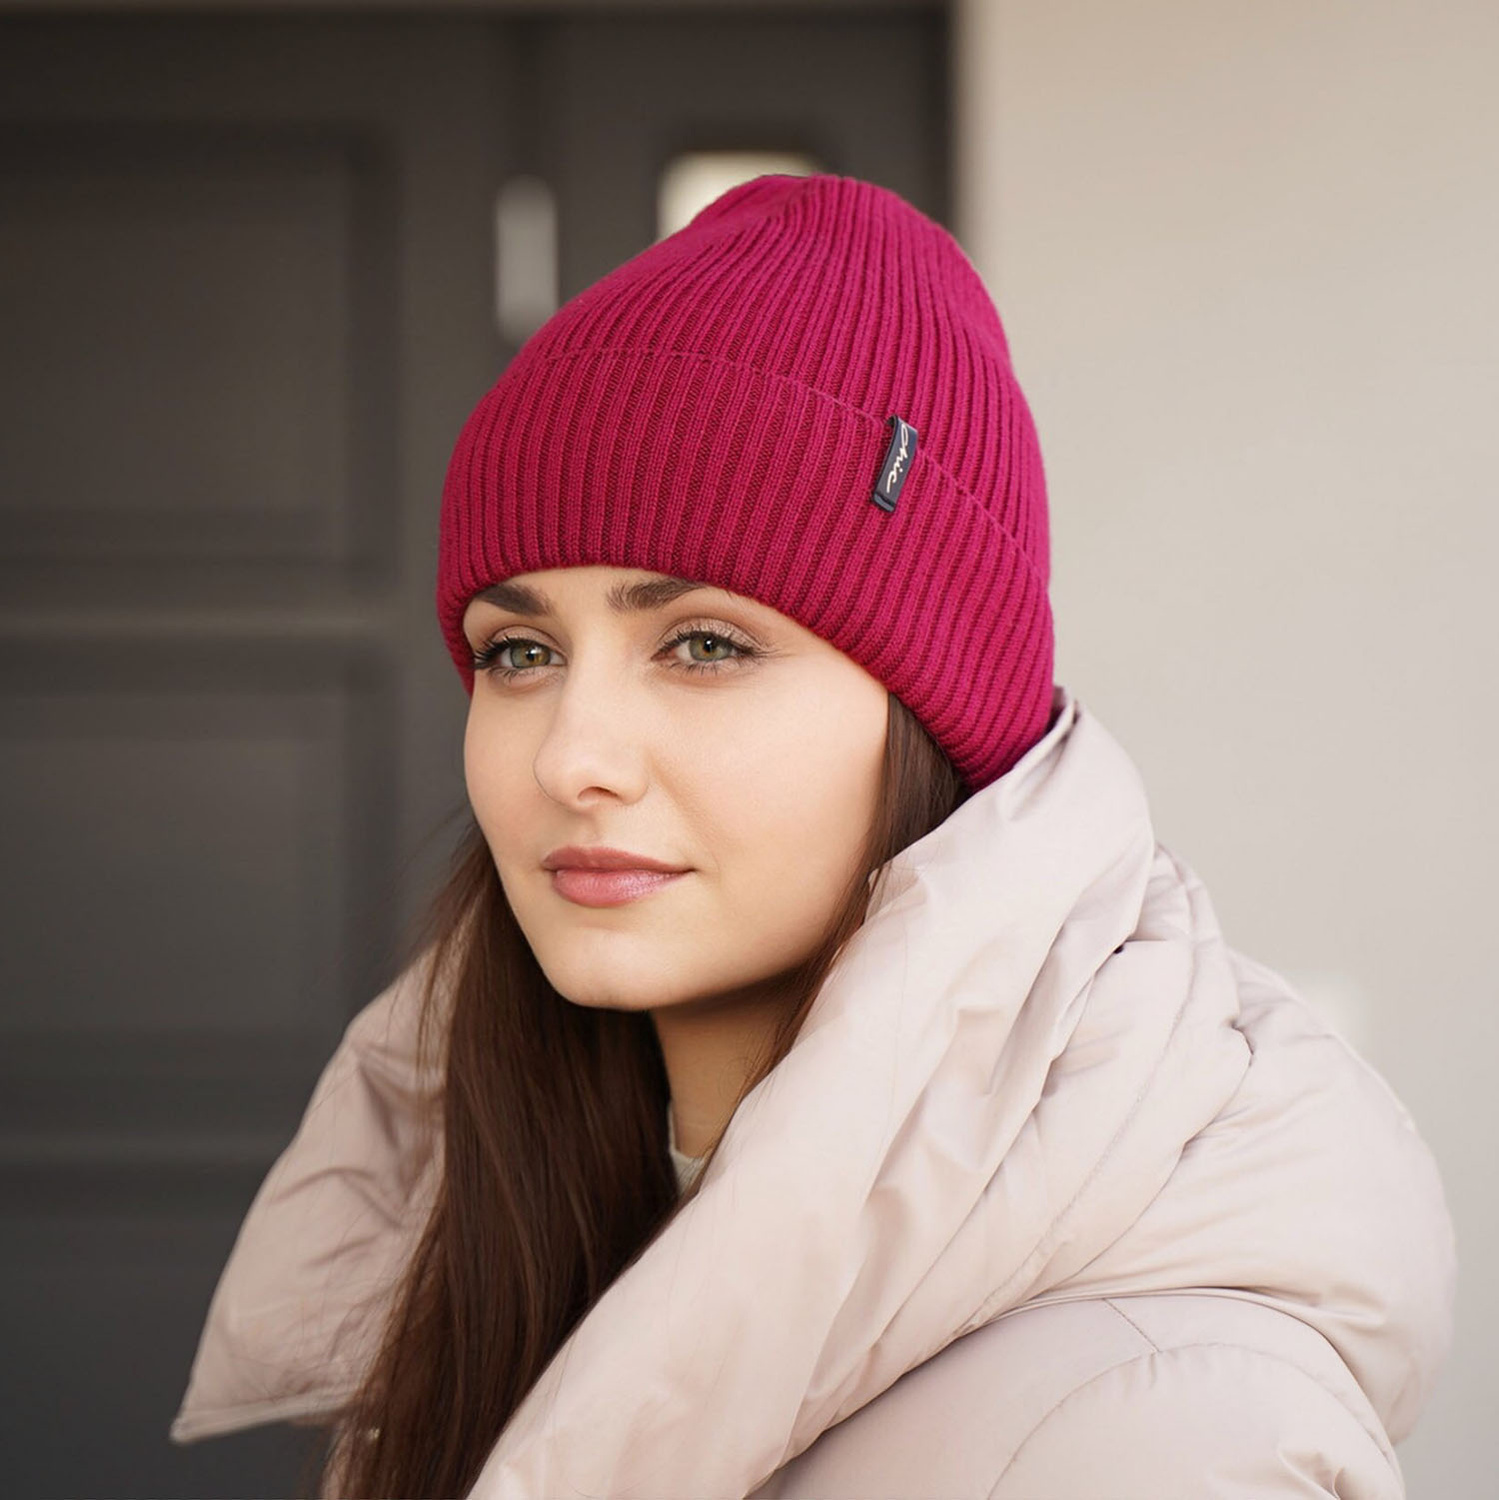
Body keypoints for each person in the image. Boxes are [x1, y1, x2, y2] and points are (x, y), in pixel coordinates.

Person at [169, 174, 1456, 1499]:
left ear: (933, 711)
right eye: (519, 652)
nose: (571, 757)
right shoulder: (514, 1238)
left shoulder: (1158, 1440)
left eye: (706, 644)